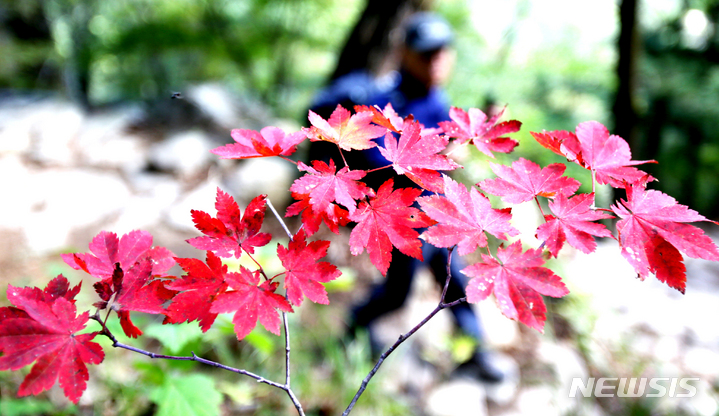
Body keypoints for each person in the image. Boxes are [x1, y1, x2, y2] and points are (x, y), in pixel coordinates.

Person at [308, 12, 504, 383]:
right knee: (398, 294)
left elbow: (439, 142)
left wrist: (459, 143)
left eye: (442, 52)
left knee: (458, 283)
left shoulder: (439, 99)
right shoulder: (383, 100)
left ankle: (475, 353)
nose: (436, 61)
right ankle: (354, 327)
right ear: (404, 54)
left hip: (436, 217)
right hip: (403, 223)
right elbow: (380, 161)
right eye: (426, 53)